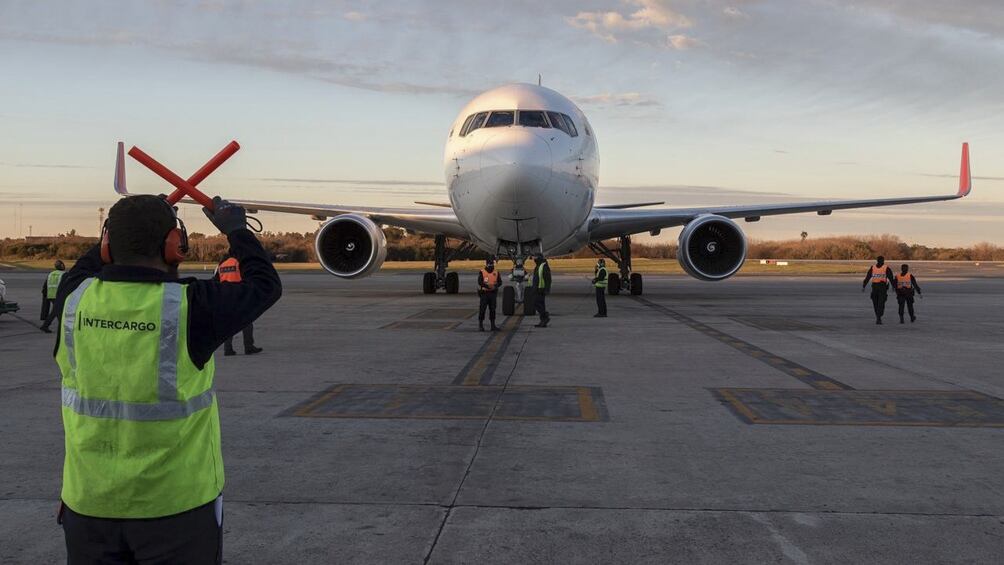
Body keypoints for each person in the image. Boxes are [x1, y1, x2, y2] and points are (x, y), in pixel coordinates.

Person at [52, 194, 281, 564]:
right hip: (176, 508)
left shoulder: (73, 298)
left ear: (107, 244)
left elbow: (89, 264)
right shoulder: (192, 306)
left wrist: (125, 227)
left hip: (89, 503)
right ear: (176, 246)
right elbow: (265, 283)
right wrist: (236, 228)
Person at [215, 254, 263, 355]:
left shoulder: (222, 264)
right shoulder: (239, 263)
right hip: (239, 293)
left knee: (228, 323)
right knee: (247, 321)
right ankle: (248, 346)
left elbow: (216, 280)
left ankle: (227, 349)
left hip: (225, 295)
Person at [861, 255, 895, 324]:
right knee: (876, 303)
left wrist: (893, 286)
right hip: (875, 287)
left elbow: (891, 278)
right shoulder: (873, 268)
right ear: (882, 261)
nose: (882, 262)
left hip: (882, 287)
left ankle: (878, 317)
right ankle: (878, 316)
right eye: (882, 261)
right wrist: (864, 286)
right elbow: (868, 277)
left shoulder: (885, 268)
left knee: (880, 303)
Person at [39, 259, 66, 333]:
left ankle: (61, 326)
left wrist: (45, 295)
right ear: (61, 266)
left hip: (50, 295)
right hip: (58, 296)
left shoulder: (51, 274)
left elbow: (45, 286)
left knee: (57, 311)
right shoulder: (64, 274)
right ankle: (45, 326)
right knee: (56, 311)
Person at [477, 258, 501, 331]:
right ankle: (480, 325)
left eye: (492, 264)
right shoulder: (482, 272)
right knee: (482, 310)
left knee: (493, 309)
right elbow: (480, 282)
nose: (491, 265)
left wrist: (495, 286)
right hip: (484, 294)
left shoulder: (496, 272)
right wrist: (487, 286)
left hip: (492, 294)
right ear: (486, 264)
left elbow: (500, 282)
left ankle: (493, 325)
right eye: (489, 264)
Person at [531, 254, 551, 328]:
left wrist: (547, 289)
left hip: (540, 289)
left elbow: (548, 279)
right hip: (537, 289)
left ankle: (545, 316)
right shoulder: (539, 265)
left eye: (535, 258)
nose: (534, 260)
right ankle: (543, 320)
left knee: (536, 304)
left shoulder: (543, 266)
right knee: (540, 305)